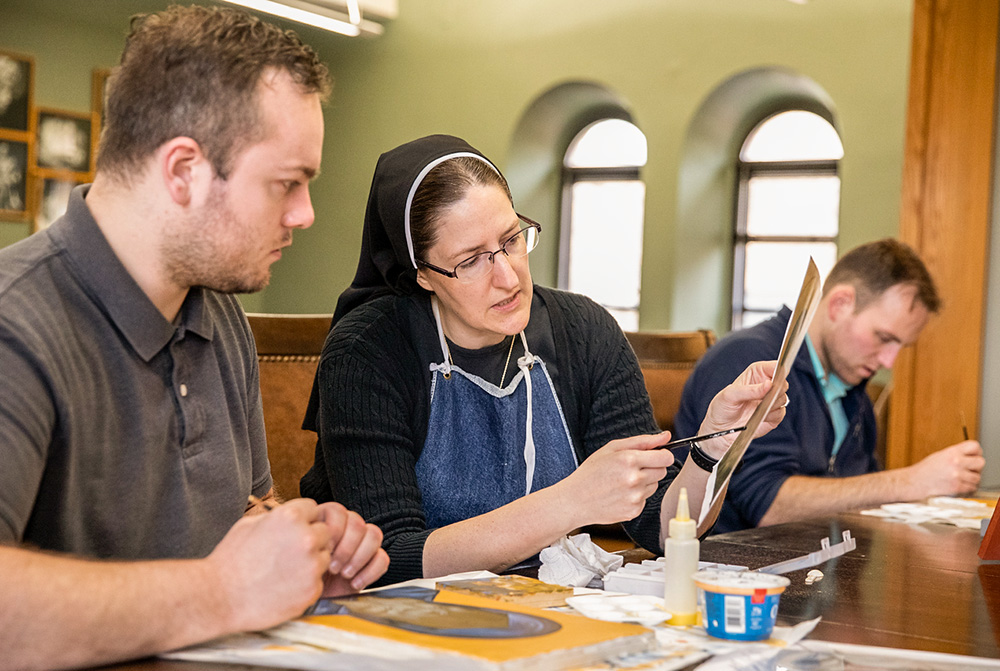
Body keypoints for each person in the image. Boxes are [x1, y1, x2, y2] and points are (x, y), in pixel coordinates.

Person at [0, 7, 388, 670]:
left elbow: (244, 515)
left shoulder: (218, 313)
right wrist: (225, 589)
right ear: (183, 170)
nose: (305, 214)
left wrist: (296, 557)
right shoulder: (17, 324)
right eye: (286, 184)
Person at [300, 134, 788, 585]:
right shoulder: (368, 350)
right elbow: (392, 561)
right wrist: (571, 501)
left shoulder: (583, 330)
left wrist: (715, 449)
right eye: (471, 261)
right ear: (422, 274)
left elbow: (661, 530)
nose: (509, 278)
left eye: (512, 240)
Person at [675, 239, 985, 534]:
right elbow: (768, 505)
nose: (889, 361)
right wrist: (912, 482)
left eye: (900, 346)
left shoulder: (853, 390)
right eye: (884, 337)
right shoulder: (749, 360)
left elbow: (860, 492)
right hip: (730, 574)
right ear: (839, 304)